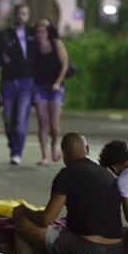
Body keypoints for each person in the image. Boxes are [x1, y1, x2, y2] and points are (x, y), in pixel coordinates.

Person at [12, 132, 125, 254]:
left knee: (22, 222)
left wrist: (25, 211)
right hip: (116, 248)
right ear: (87, 149)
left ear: (64, 154)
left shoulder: (67, 174)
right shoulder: (107, 174)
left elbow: (46, 219)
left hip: (86, 248)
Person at [0, 4, 36, 165]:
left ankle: (16, 152)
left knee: (21, 118)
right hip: (9, 83)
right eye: (19, 13)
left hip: (27, 83)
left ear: (28, 16)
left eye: (25, 13)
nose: (22, 16)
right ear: (14, 15)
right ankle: (12, 141)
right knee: (8, 118)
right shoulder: (4, 36)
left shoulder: (34, 34)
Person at [32, 19, 70, 165]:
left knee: (54, 124)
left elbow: (65, 63)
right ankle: (44, 155)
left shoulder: (56, 44)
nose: (40, 35)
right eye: (37, 32)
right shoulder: (34, 48)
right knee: (43, 121)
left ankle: (54, 145)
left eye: (42, 32)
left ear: (48, 33)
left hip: (55, 88)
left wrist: (58, 83)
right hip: (39, 87)